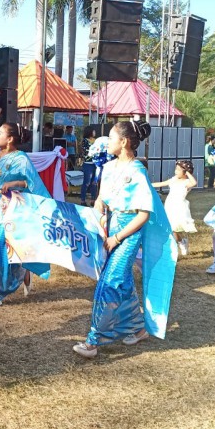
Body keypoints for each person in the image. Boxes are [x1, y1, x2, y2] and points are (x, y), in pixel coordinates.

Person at [73, 120, 177, 359]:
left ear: (124, 142)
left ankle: (93, 341)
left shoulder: (138, 172)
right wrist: (99, 214)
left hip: (128, 235)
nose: (106, 142)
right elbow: (101, 199)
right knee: (124, 282)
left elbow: (143, 214)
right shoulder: (108, 167)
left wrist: (118, 237)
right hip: (109, 229)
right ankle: (138, 329)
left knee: (109, 283)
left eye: (111, 138)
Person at [0, 122, 51, 309]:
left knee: (0, 245)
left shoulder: (21, 158)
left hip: (16, 207)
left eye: (0, 133)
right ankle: (23, 271)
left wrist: (14, 183)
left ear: (10, 139)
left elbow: (31, 183)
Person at [152, 160, 197, 256]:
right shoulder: (174, 179)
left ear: (185, 172)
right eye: (176, 169)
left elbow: (194, 183)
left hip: (179, 207)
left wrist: (188, 173)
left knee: (174, 228)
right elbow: (162, 183)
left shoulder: (187, 182)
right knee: (171, 228)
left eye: (179, 170)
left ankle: (178, 245)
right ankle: (181, 242)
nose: (176, 171)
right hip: (170, 206)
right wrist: (149, 184)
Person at [80, 126, 98, 205]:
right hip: (88, 164)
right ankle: (83, 200)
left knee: (94, 182)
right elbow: (85, 151)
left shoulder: (96, 140)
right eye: (93, 131)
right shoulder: (85, 140)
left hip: (96, 163)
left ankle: (93, 200)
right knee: (86, 182)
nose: (94, 132)